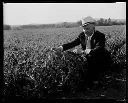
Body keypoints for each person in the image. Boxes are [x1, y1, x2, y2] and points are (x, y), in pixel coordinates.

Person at [52, 16, 112, 89]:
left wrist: (82, 52)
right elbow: (73, 43)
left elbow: (98, 49)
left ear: (93, 27)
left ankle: (95, 81)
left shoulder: (100, 36)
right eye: (84, 28)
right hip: (87, 55)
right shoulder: (82, 35)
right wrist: (60, 48)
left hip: (99, 57)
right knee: (74, 57)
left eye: (87, 28)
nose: (85, 31)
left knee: (92, 58)